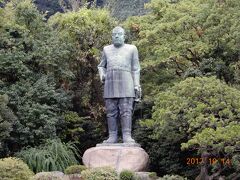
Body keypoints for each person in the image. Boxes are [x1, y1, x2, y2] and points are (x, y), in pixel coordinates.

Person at [98, 26, 141, 143]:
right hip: (110, 82)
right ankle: (112, 135)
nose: (116, 36)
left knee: (126, 110)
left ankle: (127, 135)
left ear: (124, 36)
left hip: (127, 82)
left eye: (119, 34)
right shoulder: (106, 49)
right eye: (114, 34)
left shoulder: (132, 49)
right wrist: (102, 74)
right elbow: (101, 65)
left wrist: (137, 85)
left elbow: (136, 68)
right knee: (111, 111)